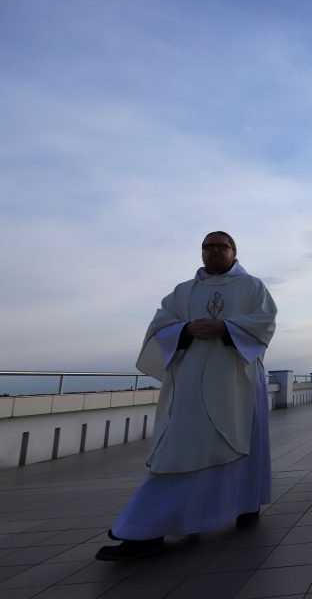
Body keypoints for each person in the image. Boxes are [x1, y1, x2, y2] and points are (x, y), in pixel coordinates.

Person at [97, 231, 277, 561]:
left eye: (221, 246)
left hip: (237, 380)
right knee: (180, 449)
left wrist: (226, 328)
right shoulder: (184, 291)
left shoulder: (253, 287)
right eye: (207, 247)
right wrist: (185, 330)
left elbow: (265, 322)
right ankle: (144, 528)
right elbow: (160, 324)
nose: (213, 252)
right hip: (191, 384)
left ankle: (244, 505)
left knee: (238, 443)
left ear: (234, 251)